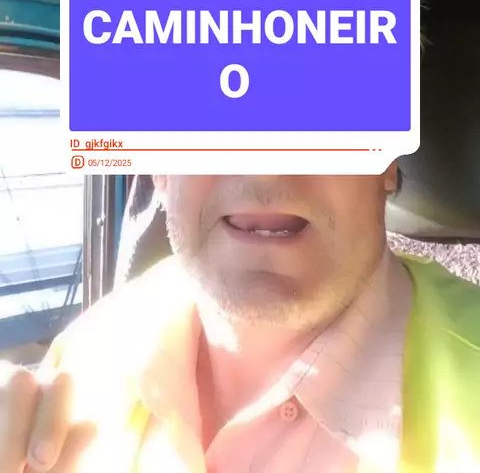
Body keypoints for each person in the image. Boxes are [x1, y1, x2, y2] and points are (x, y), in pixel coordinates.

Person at [1, 170, 480, 473]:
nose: (264, 169)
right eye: (209, 109)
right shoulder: (83, 359)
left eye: (321, 106)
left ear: (388, 157)